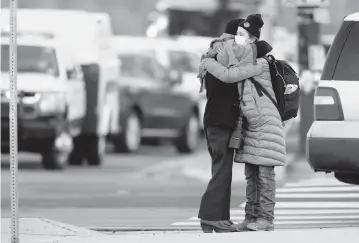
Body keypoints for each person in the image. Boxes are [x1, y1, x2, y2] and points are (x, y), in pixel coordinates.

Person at [199, 14, 286, 232]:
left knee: (258, 174)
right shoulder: (224, 56)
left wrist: (207, 61)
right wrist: (209, 61)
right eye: (236, 35)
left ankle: (253, 218)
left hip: (258, 124)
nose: (237, 41)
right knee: (230, 172)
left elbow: (230, 75)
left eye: (242, 35)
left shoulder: (256, 62)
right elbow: (228, 76)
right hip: (226, 122)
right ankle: (215, 217)